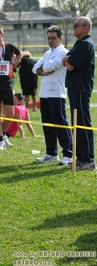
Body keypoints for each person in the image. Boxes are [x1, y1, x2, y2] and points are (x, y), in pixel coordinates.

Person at [32, 25, 73, 165]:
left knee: (60, 124)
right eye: (48, 38)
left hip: (57, 94)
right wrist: (43, 71)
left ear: (60, 38)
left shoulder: (63, 52)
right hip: (44, 94)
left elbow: (49, 66)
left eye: (53, 38)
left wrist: (43, 68)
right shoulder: (47, 53)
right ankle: (51, 153)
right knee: (47, 125)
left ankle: (69, 154)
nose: (50, 41)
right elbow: (34, 68)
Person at [62, 16, 95, 171]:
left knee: (83, 123)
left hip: (81, 87)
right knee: (77, 123)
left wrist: (68, 60)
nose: (73, 28)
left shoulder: (86, 44)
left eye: (76, 25)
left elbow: (70, 65)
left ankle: (89, 159)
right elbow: (65, 60)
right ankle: (81, 158)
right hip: (74, 87)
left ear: (85, 28)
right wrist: (68, 59)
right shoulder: (78, 43)